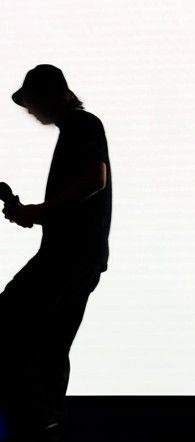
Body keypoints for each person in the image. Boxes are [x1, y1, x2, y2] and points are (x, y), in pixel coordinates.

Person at [0, 64, 112, 441]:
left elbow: (95, 179)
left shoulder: (83, 125)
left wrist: (38, 212)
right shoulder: (75, 130)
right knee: (50, 341)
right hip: (75, 256)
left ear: (53, 96)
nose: (30, 111)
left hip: (69, 256)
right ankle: (44, 422)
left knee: (17, 321)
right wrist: (33, 214)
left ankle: (36, 420)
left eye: (32, 101)